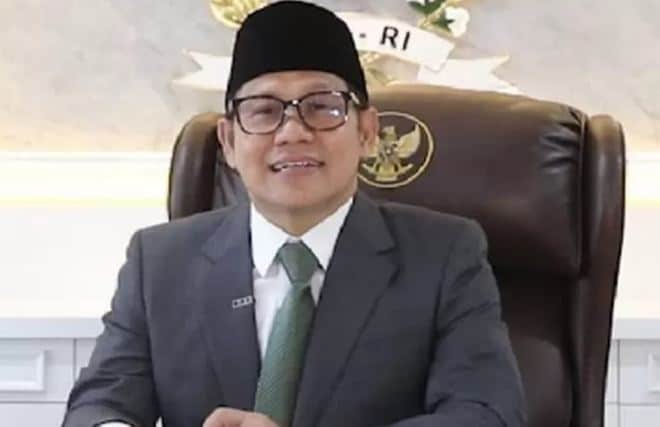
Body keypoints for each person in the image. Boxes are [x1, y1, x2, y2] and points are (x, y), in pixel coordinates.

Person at [62, 1, 525, 426]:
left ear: (367, 132)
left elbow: (484, 412)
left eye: (322, 108)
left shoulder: (444, 255)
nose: (292, 132)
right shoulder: (160, 261)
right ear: (229, 142)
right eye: (264, 111)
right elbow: (99, 405)